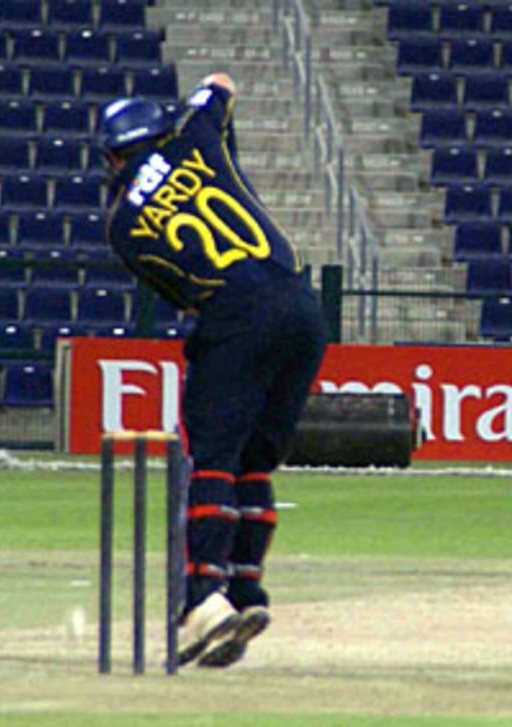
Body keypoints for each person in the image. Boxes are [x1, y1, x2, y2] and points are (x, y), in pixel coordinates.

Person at [98, 73, 327, 666]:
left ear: (114, 155)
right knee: (255, 460)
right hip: (302, 307)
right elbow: (222, 84)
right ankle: (246, 588)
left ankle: (205, 597)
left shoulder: (120, 225)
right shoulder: (195, 138)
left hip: (233, 315)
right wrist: (200, 117)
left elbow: (179, 290)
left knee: (211, 458)